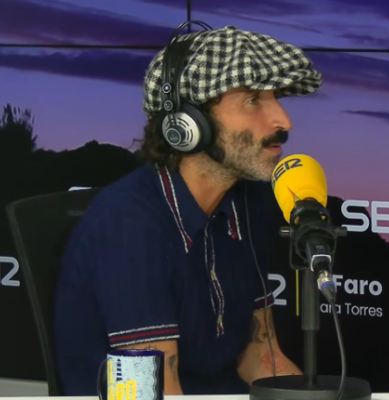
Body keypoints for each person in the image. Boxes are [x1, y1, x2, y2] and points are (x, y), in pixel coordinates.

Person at [53, 23, 322, 396]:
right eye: (252, 100)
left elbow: (260, 355)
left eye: (274, 97)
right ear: (187, 124)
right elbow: (152, 391)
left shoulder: (247, 204)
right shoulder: (128, 226)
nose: (283, 121)